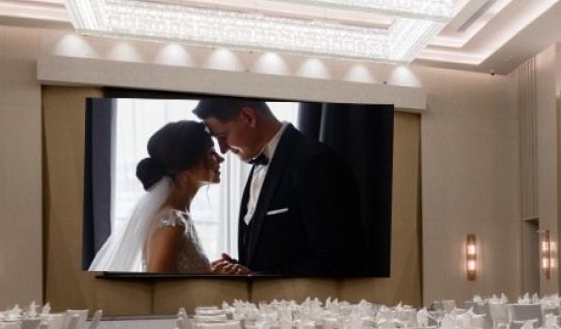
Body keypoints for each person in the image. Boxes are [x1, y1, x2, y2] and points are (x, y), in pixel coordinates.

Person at [193, 97, 366, 277]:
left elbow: (337, 261)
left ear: (248, 117)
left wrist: (254, 278)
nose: (222, 149)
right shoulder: (258, 164)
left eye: (222, 136)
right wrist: (239, 269)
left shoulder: (317, 163)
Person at [90, 120, 235, 274]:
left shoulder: (178, 216)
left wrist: (209, 270)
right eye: (211, 152)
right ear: (186, 165)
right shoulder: (171, 223)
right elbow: (157, 287)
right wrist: (213, 278)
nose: (221, 159)